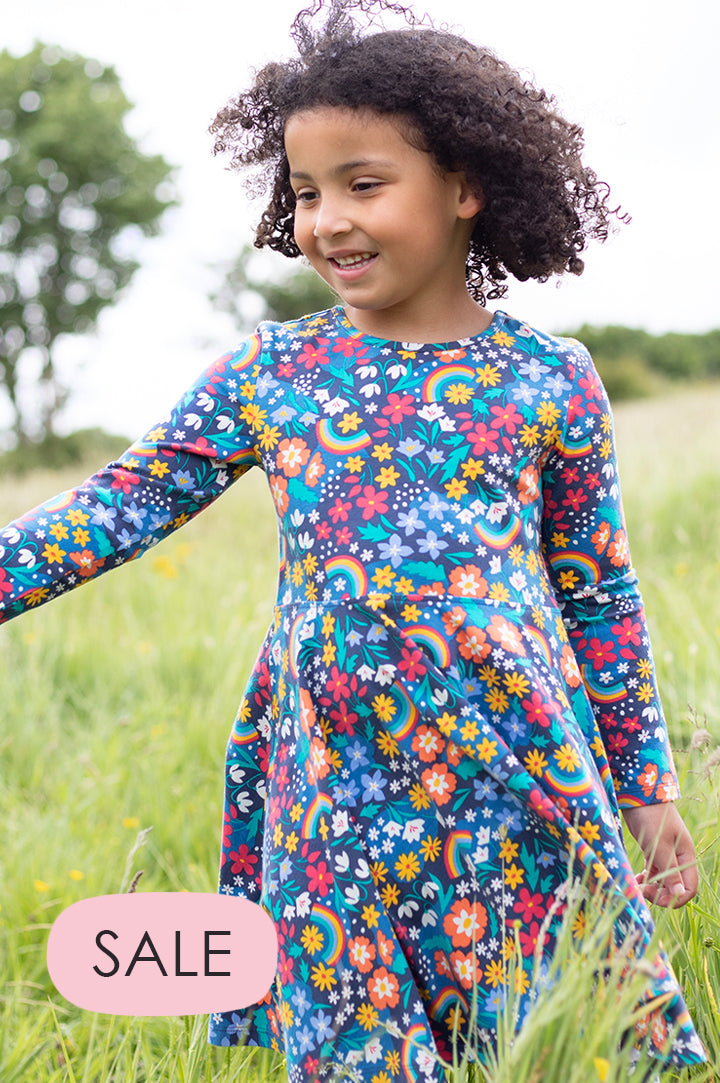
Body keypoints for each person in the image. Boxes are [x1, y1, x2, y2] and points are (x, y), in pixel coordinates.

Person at [0, 0, 705, 1078]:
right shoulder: (272, 373)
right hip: (333, 783)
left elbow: (600, 594)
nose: (325, 221)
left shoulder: (547, 378)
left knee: (563, 1038)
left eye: (362, 185)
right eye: (305, 193)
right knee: (355, 1043)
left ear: (467, 186)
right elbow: (118, 505)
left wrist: (646, 786)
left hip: (515, 769)